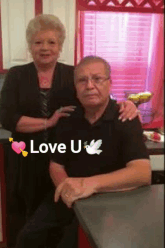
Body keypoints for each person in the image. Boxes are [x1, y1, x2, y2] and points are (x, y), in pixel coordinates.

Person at [0, 14, 139, 247]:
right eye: (38, 42)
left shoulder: (71, 74)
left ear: (60, 46)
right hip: (27, 157)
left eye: (51, 42)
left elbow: (94, 97)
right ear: (30, 46)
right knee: (30, 217)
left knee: (65, 218)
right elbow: (8, 119)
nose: (45, 48)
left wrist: (126, 104)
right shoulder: (16, 75)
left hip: (65, 158)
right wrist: (49, 122)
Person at [15, 56, 151, 248]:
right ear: (76, 88)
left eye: (97, 79)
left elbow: (142, 173)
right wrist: (67, 191)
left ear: (110, 84)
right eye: (82, 80)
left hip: (111, 201)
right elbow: (56, 164)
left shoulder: (125, 118)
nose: (89, 85)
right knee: (28, 238)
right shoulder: (67, 118)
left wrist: (89, 185)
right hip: (69, 196)